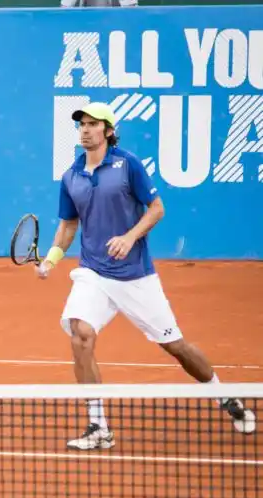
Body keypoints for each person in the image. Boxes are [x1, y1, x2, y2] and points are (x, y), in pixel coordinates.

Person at [37, 101, 256, 450]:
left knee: (176, 347)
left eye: (93, 125)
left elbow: (157, 209)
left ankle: (224, 395)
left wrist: (129, 237)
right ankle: (98, 427)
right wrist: (51, 259)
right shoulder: (71, 176)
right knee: (80, 333)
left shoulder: (128, 165)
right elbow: (68, 224)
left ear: (108, 131)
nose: (85, 130)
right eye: (82, 125)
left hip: (136, 276)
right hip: (93, 272)